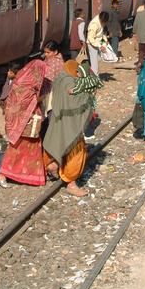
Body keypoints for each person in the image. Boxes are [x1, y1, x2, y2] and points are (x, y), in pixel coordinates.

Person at [43, 60, 93, 197]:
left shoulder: (60, 79)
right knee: (75, 153)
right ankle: (71, 183)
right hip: (71, 124)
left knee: (56, 144)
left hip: (56, 119)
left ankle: (52, 165)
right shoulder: (71, 83)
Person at [0, 59, 48, 186]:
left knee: (23, 148)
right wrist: (41, 97)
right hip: (24, 123)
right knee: (22, 148)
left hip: (19, 122)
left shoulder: (21, 82)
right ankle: (5, 173)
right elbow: (26, 103)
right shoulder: (28, 86)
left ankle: (25, 175)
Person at [69, 61, 104, 141]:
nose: (77, 74)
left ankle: (88, 134)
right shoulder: (93, 78)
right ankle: (89, 129)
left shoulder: (81, 81)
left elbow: (77, 89)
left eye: (78, 72)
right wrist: (94, 89)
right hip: (92, 100)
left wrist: (71, 91)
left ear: (83, 73)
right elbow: (101, 84)